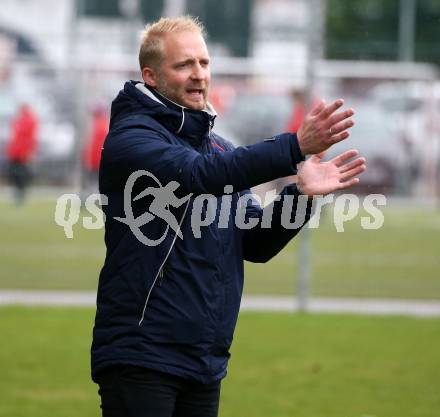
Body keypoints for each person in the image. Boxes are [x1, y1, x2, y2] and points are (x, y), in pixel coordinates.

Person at [91, 16, 366, 417]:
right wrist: (293, 146)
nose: (199, 74)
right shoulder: (133, 138)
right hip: (142, 356)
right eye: (183, 65)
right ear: (150, 76)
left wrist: (301, 196)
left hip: (204, 360)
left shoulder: (219, 148)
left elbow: (253, 242)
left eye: (203, 63)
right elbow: (199, 177)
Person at [5, 103, 39, 205]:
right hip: (15, 151)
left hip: (23, 151)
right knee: (14, 172)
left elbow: (31, 137)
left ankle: (21, 193)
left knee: (22, 173)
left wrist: (31, 151)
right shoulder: (18, 120)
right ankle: (18, 191)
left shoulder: (30, 120)